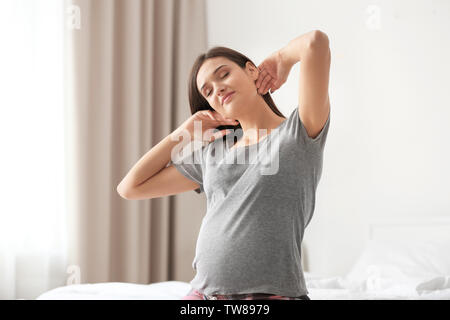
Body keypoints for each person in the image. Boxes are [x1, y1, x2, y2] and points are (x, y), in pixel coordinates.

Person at [117, 30, 331, 300]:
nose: (217, 89)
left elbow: (315, 42)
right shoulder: (214, 152)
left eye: (223, 74)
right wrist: (185, 132)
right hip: (203, 295)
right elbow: (130, 187)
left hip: (272, 295)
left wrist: (281, 59)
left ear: (251, 71)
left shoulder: (298, 133)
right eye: (207, 91)